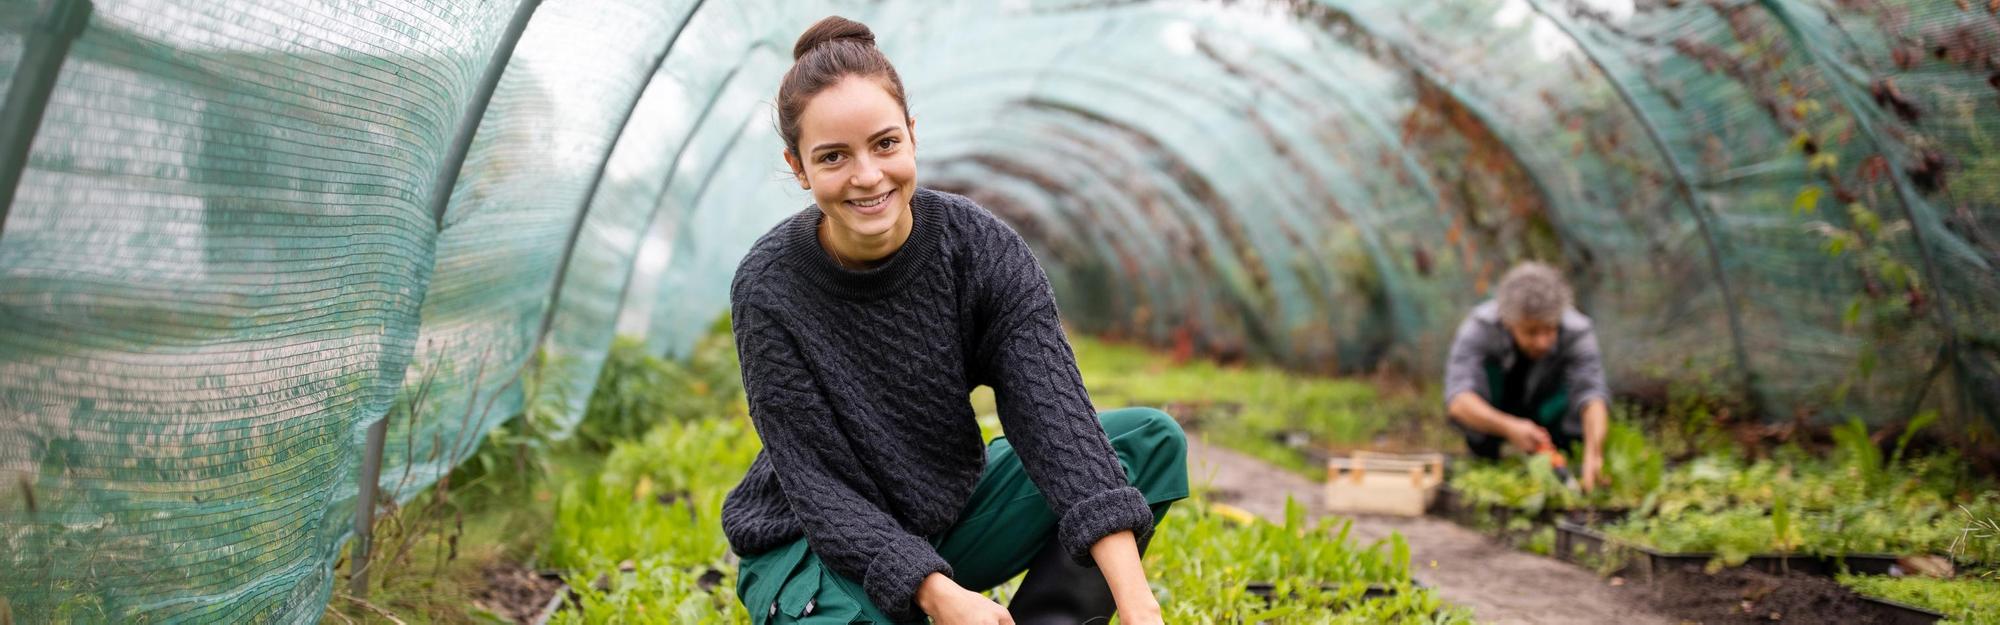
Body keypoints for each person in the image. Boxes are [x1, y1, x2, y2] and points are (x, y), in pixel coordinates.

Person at [719, 16, 1187, 625]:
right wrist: (939, 595)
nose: (867, 175)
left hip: (942, 514)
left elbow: (1055, 422)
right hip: (811, 542)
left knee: (1146, 442)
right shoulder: (769, 287)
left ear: (912, 135)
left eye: (885, 143)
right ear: (799, 167)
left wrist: (1138, 601)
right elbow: (820, 487)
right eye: (833, 157)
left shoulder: (980, 250)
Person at [1443, 262, 1610, 491]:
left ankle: (1564, 454)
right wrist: (1509, 427)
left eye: (1550, 329)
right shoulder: (1480, 328)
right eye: (1531, 332)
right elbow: (1458, 401)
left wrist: (1594, 451)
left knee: (1577, 400)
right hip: (1501, 406)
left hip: (1548, 409)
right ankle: (1489, 454)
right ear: (1509, 322)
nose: (1542, 341)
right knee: (1478, 396)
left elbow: (1593, 396)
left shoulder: (1577, 331)